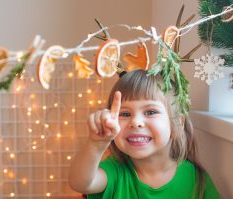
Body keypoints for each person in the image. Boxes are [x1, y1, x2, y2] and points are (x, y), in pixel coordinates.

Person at [68, 70, 221, 199]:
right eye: (125, 113)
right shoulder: (114, 171)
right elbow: (80, 183)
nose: (135, 122)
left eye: (150, 112)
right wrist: (96, 144)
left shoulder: (196, 178)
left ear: (177, 124)